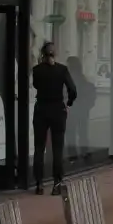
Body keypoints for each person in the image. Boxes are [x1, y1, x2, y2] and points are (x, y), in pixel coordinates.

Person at [31, 42, 77, 195]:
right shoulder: (62, 70)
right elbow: (73, 90)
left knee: (39, 147)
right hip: (58, 109)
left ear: (42, 54)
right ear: (55, 54)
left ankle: (39, 184)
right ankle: (57, 183)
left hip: (41, 109)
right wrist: (68, 104)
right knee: (57, 148)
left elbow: (36, 85)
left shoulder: (36, 70)